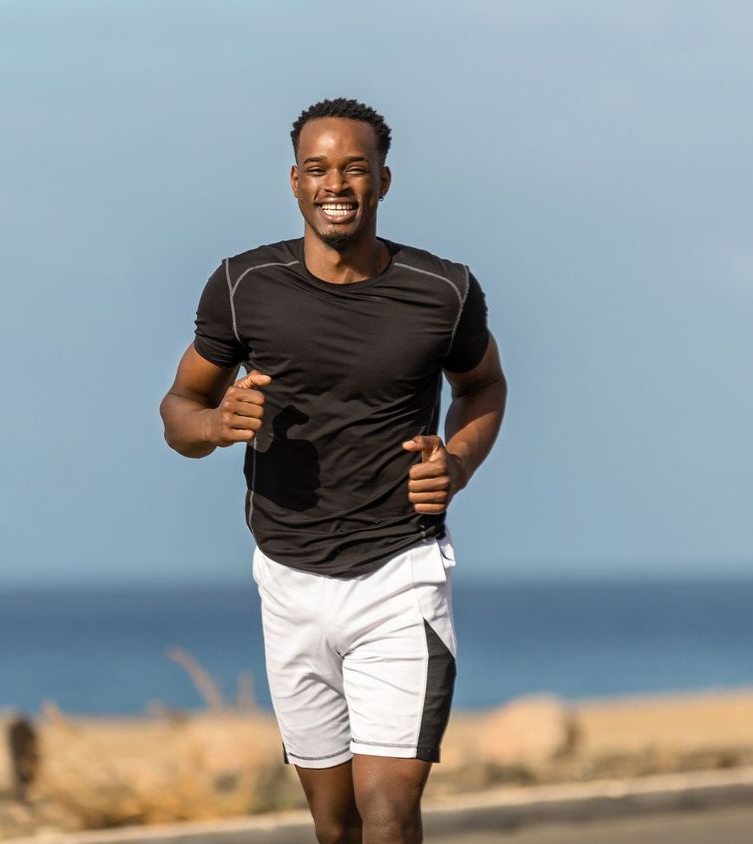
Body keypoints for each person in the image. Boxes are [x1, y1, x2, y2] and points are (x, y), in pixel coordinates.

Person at [158, 97, 507, 844]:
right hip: (288, 578)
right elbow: (179, 410)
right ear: (295, 182)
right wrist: (216, 425)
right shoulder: (243, 285)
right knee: (334, 822)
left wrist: (458, 463)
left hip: (400, 572)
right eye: (317, 169)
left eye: (354, 168)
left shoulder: (443, 291)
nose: (336, 184)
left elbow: (482, 385)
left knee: (388, 807)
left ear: (384, 180)